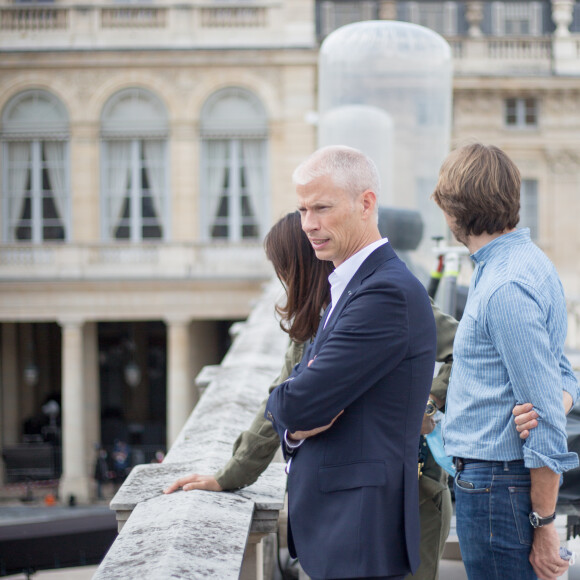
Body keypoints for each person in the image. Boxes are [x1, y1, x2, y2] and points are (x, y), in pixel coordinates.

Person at [265, 145, 437, 580]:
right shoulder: (349, 284)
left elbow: (297, 402)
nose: (308, 225)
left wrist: (289, 412)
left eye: (322, 207)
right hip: (342, 531)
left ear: (366, 204)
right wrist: (293, 417)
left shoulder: (385, 294)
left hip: (359, 536)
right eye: (303, 209)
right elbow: (299, 398)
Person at [432, 142, 579, 580]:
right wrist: (557, 400)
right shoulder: (528, 263)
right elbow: (564, 374)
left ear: (457, 210)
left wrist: (545, 525)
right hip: (499, 482)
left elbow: (547, 418)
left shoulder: (504, 287)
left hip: (499, 488)